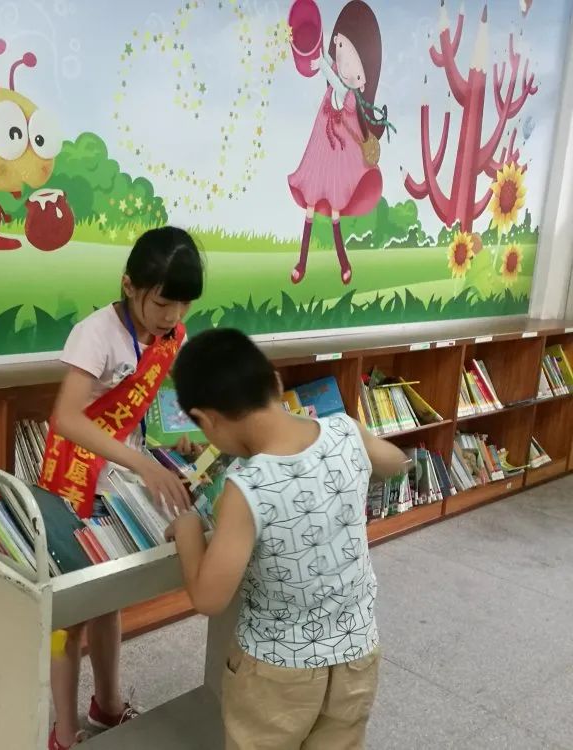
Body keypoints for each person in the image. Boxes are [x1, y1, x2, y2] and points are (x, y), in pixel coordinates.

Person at [166, 328, 408, 749]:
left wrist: (188, 529)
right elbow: (396, 462)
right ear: (277, 383)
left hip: (277, 671)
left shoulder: (247, 488)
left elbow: (209, 598)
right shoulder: (345, 430)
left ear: (207, 420)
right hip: (356, 653)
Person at [40, 225, 204, 749]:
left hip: (119, 482)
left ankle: (108, 707)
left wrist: (184, 434)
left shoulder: (170, 334)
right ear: (129, 285)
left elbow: (167, 392)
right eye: (162, 303)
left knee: (109, 597)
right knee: (70, 613)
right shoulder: (95, 334)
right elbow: (67, 418)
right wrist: (142, 463)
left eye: (183, 304)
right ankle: (64, 732)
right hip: (72, 479)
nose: (172, 316)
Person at [288, 0, 394, 286]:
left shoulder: (348, 95)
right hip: (320, 154)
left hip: (339, 161)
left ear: (364, 82)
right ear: (336, 41)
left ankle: (344, 263)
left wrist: (321, 64)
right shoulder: (334, 71)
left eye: (357, 72)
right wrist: (312, 51)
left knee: (334, 211)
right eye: (343, 49)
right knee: (310, 207)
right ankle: (301, 262)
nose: (346, 67)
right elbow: (326, 65)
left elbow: (335, 82)